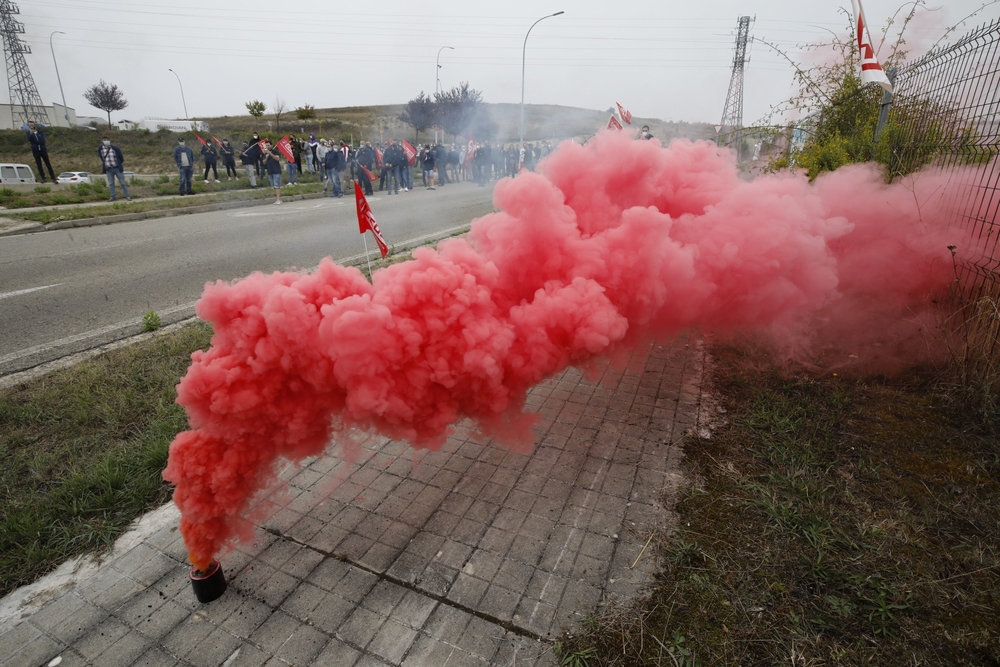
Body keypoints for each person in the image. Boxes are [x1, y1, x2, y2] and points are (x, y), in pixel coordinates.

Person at [97, 135, 131, 202]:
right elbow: (102, 158)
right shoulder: (100, 149)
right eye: (104, 140)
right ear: (102, 141)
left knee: (122, 182)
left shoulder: (115, 148)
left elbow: (121, 158)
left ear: (109, 140)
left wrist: (118, 164)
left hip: (117, 168)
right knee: (111, 183)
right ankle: (113, 196)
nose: (105, 141)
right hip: (108, 169)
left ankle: (127, 196)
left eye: (107, 139)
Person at [260, 138, 283, 204]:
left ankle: (278, 199)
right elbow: (264, 162)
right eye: (266, 145)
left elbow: (277, 158)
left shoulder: (275, 151)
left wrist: (270, 153)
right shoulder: (265, 153)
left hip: (276, 171)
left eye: (268, 145)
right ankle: (279, 199)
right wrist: (267, 156)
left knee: (277, 186)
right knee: (273, 186)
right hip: (270, 171)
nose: (267, 146)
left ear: (271, 145)